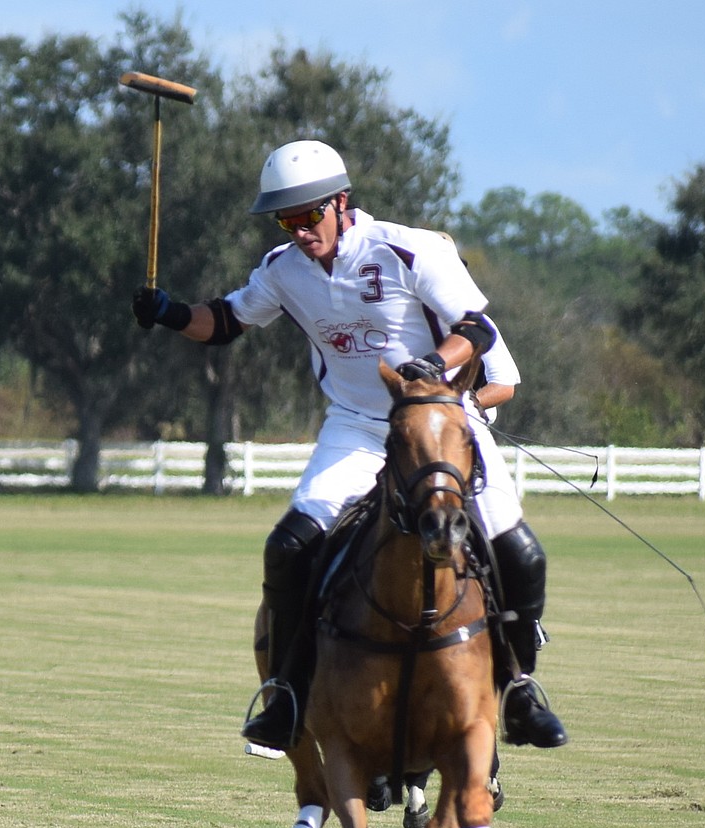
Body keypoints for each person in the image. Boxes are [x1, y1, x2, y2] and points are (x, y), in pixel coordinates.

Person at [132, 139, 567, 754]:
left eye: (310, 215)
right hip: (359, 426)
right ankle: (284, 695)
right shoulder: (284, 269)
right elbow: (227, 321)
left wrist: (430, 367)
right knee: (287, 546)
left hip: (441, 422)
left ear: (341, 203)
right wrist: (170, 313)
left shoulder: (407, 248)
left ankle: (521, 691)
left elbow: (477, 325)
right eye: (288, 220)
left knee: (519, 551)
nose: (301, 230)